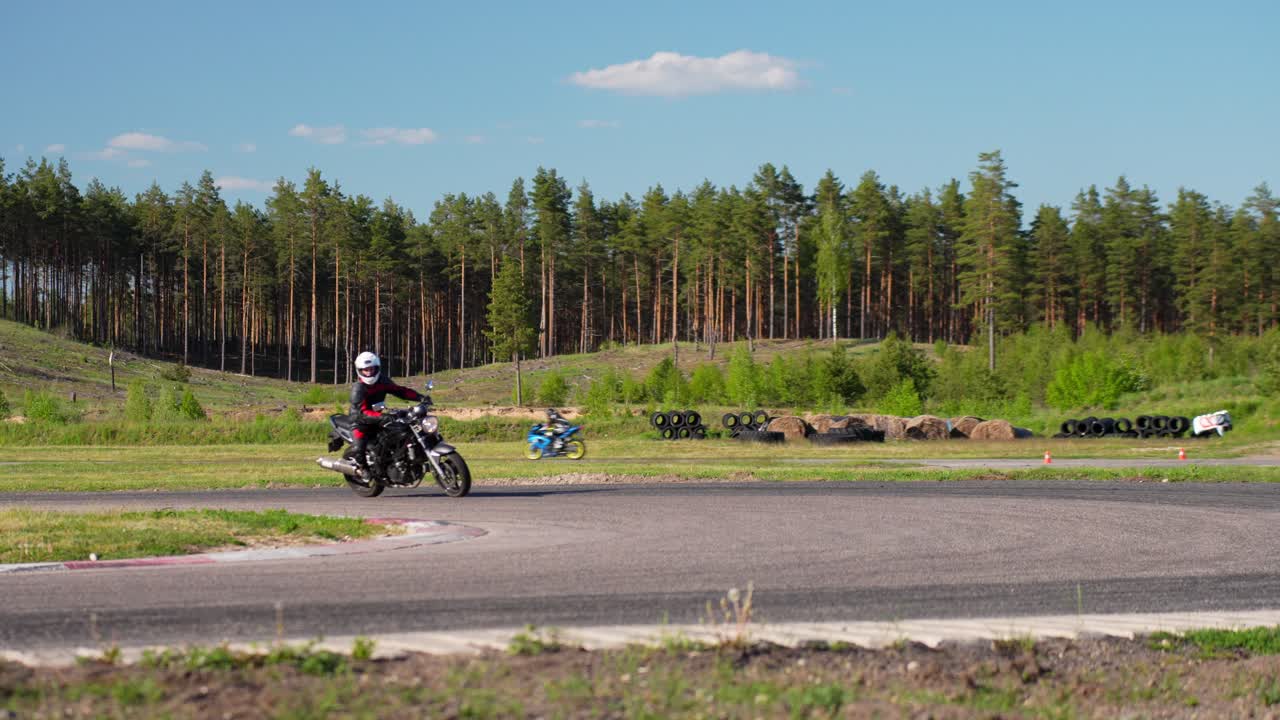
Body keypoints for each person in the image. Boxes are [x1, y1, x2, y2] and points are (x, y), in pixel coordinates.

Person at [349, 351, 422, 474]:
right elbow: (360, 414)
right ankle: (362, 469)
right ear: (360, 371)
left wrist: (420, 397)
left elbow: (400, 391)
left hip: (379, 419)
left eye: (371, 369)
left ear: (377, 368)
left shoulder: (382, 381)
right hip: (360, 422)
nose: (369, 372)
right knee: (358, 449)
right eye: (365, 370)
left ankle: (398, 462)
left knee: (400, 434)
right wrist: (382, 417)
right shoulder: (358, 388)